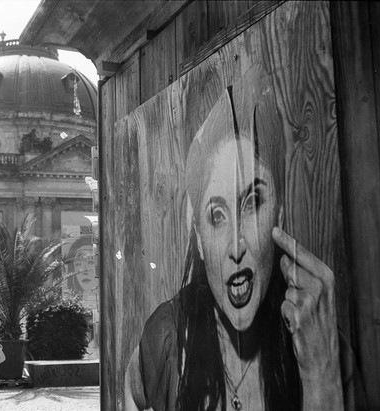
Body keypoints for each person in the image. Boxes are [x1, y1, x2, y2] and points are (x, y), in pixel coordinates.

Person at [124, 84, 359, 411]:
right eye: (217, 216)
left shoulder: (322, 344)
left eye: (253, 202)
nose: (236, 246)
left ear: (279, 215)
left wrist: (319, 377)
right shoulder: (166, 337)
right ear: (199, 238)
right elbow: (132, 387)